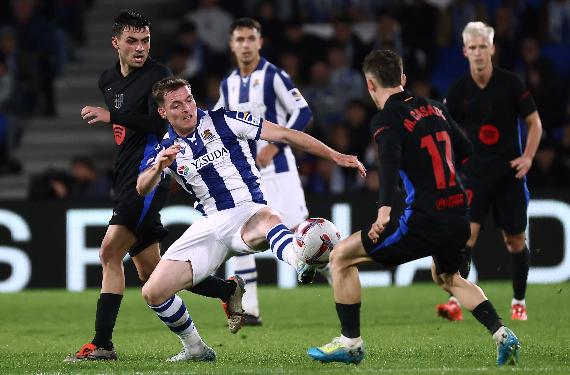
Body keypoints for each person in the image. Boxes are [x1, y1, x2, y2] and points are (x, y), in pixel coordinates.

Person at [306, 49, 521, 367]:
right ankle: (504, 335)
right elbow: (465, 150)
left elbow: (389, 163)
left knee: (340, 258)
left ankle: (350, 344)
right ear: (403, 79)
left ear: (369, 85)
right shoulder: (434, 108)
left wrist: (384, 210)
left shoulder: (386, 120)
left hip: (423, 218)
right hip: (457, 212)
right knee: (448, 277)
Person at [137, 77, 366, 361]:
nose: (187, 108)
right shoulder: (165, 149)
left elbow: (285, 134)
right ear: (163, 112)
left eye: (189, 100)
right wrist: (159, 166)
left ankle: (300, 261)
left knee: (269, 218)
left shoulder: (226, 120)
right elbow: (142, 186)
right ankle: (196, 349)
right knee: (153, 292)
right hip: (210, 226)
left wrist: (335, 155)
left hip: (248, 210)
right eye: (176, 105)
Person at [67, 10, 240, 362]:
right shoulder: (108, 80)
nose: (140, 47)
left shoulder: (158, 76)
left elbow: (157, 124)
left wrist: (109, 115)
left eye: (145, 40)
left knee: (109, 254)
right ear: (115, 43)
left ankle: (102, 344)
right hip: (125, 174)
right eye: (132, 41)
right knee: (152, 274)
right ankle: (226, 290)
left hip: (148, 178)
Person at [435, 22, 542, 322]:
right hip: (474, 177)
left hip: (510, 176)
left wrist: (528, 157)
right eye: (473, 48)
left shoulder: (511, 84)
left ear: (492, 48)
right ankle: (459, 300)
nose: (479, 53)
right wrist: (449, 167)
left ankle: (518, 301)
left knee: (515, 241)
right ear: (465, 51)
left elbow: (535, 123)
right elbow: (444, 132)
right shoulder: (458, 91)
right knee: (465, 239)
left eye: (484, 47)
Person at [214, 18, 315, 326]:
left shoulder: (274, 76)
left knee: (304, 236)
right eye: (239, 39)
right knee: (241, 238)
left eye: (250, 39)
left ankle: (342, 281)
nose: (245, 45)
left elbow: (303, 111)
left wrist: (275, 143)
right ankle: (249, 310)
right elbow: (218, 121)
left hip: (280, 171)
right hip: (248, 178)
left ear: (260, 42)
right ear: (232, 45)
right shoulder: (227, 84)